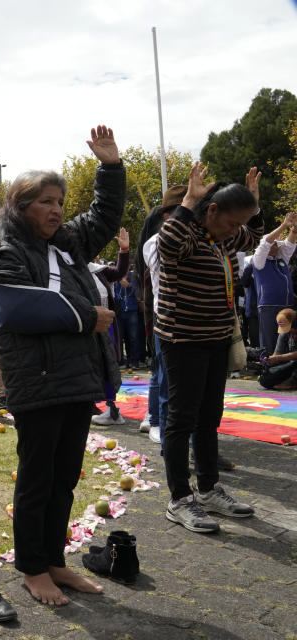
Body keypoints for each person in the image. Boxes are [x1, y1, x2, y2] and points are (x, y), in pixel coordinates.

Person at [0, 125, 125, 605]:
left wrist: (110, 169)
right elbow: (15, 305)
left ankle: (56, 561)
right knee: (37, 477)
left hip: (77, 378)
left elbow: (103, 219)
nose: (57, 209)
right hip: (38, 380)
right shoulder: (4, 249)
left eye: (60, 200)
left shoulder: (66, 241)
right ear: (21, 207)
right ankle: (31, 568)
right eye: (46, 201)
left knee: (66, 476)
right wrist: (88, 317)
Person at [156, 163, 261, 533]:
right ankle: (179, 499)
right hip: (183, 341)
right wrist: (187, 202)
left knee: (208, 417)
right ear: (212, 211)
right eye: (233, 222)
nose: (238, 231)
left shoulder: (223, 238)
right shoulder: (186, 236)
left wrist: (254, 206)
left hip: (216, 339)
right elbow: (167, 244)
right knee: (181, 418)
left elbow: (251, 238)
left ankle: (207, 489)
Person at [134, 187, 187, 445]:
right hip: (166, 320)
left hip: (192, 323)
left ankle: (180, 432)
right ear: (168, 216)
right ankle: (157, 422)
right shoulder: (154, 243)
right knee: (163, 376)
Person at [90, 229, 129, 426]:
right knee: (91, 366)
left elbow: (120, 272)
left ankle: (110, 407)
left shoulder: (98, 270)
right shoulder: (72, 271)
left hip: (107, 327)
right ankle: (90, 404)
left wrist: (124, 249)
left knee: (109, 365)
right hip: (88, 328)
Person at [251, 213, 297, 352]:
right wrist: (283, 226)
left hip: (287, 304)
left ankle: (283, 370)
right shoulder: (259, 261)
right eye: (274, 243)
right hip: (269, 306)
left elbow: (289, 245)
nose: (277, 245)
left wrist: (295, 228)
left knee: (286, 342)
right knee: (270, 341)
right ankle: (268, 369)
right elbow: (265, 244)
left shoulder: (281, 259)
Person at [258, 308, 297, 389]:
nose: (287, 331)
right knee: (265, 381)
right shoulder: (284, 332)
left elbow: (279, 357)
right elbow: (277, 354)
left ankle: (292, 381)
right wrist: (269, 360)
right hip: (292, 364)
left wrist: (278, 358)